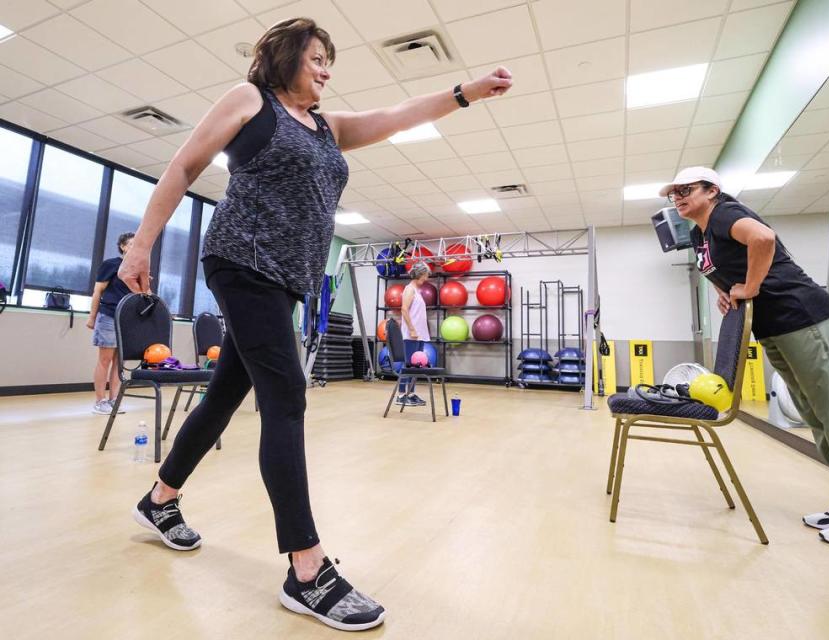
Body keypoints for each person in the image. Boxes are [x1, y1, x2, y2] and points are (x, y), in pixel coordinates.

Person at [119, 17, 512, 631]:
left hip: (287, 278)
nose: (326, 70)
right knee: (287, 399)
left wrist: (465, 93)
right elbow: (183, 166)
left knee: (225, 395)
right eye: (317, 57)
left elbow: (400, 114)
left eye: (331, 60)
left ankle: (159, 500)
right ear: (284, 58)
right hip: (241, 261)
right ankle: (306, 568)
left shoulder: (329, 128)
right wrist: (140, 245)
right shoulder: (251, 102)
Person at [662, 166, 829, 555]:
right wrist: (725, 291)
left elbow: (764, 239)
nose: (678, 197)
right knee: (817, 416)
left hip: (803, 318)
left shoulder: (725, 214)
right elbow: (718, 267)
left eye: (686, 189)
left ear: (712, 190)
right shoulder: (701, 232)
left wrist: (749, 286)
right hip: (776, 327)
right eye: (673, 193)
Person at [87, 232, 133, 415]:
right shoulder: (111, 265)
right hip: (108, 316)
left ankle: (114, 400)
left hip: (127, 320)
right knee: (104, 360)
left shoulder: (137, 268)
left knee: (119, 363)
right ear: (122, 246)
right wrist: (92, 317)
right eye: (131, 244)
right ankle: (99, 401)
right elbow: (98, 291)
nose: (135, 247)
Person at [397, 262, 432, 406]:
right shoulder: (409, 289)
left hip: (419, 335)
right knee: (408, 365)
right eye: (425, 276)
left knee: (416, 366)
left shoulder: (417, 291)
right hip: (411, 335)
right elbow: (404, 309)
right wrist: (411, 329)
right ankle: (400, 395)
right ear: (419, 275)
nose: (426, 279)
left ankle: (410, 393)